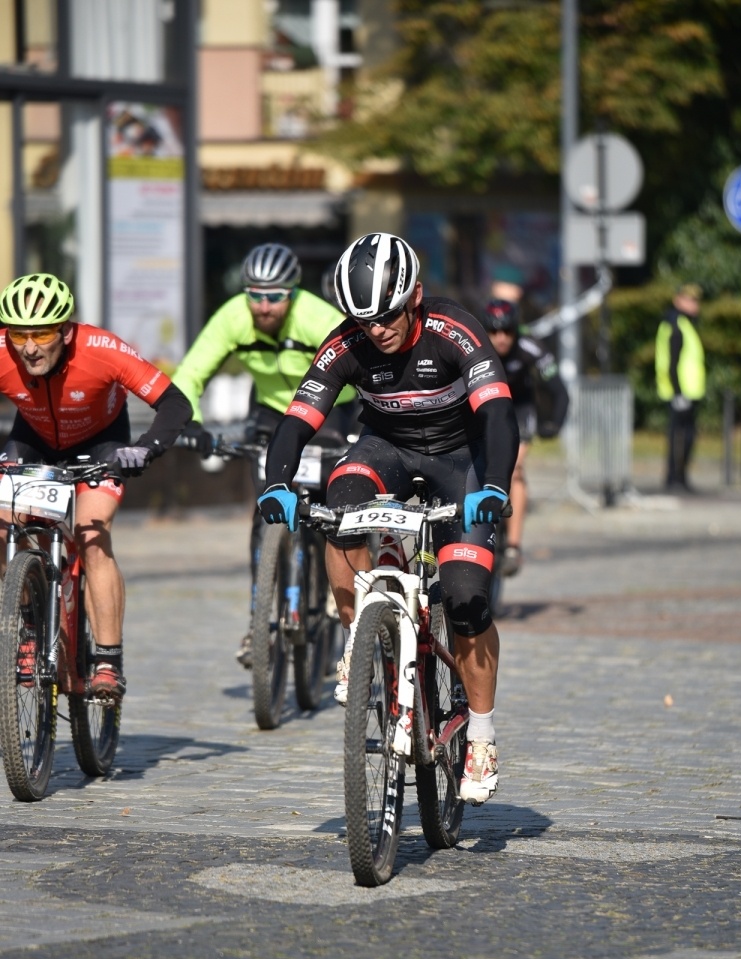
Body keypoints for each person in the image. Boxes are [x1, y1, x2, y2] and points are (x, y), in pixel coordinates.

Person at [257, 232, 519, 806]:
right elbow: (298, 419)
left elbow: (499, 414)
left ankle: (480, 735)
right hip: (387, 451)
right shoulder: (347, 342)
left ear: (416, 296)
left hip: (463, 460)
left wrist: (495, 486)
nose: (376, 329)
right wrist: (276, 481)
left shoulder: (456, 331)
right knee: (340, 503)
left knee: (467, 600)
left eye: (388, 316)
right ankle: (360, 633)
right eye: (364, 318)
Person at [0, 272, 192, 697]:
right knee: (2, 524)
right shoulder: (2, 352)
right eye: (18, 333)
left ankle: (107, 659)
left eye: (43, 333)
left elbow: (175, 402)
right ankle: (29, 622)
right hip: (31, 441)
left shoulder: (100, 349)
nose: (29, 347)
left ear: (66, 331)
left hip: (100, 443)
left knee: (92, 534)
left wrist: (146, 448)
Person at [172, 242, 358, 668]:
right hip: (273, 410)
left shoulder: (316, 317)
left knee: (336, 501)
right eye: (255, 294)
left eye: (275, 296)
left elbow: (366, 363)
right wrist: (193, 423)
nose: (264, 306)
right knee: (265, 509)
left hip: (331, 407)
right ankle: (261, 621)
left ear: (292, 294)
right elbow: (192, 372)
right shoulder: (234, 316)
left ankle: (339, 583)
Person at [481, 298, 570, 576]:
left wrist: (554, 423)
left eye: (507, 331)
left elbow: (559, 391)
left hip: (519, 411)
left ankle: (513, 547)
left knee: (514, 470)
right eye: (494, 332)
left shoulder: (531, 347)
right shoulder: (476, 348)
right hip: (485, 409)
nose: (501, 338)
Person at [655, 283, 706, 492]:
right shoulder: (675, 324)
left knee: (686, 438)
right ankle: (674, 479)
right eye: (690, 299)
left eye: (696, 300)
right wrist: (678, 393)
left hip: (689, 391)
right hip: (679, 392)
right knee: (679, 438)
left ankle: (680, 478)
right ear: (678, 300)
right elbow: (672, 363)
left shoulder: (685, 323)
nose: (695, 304)